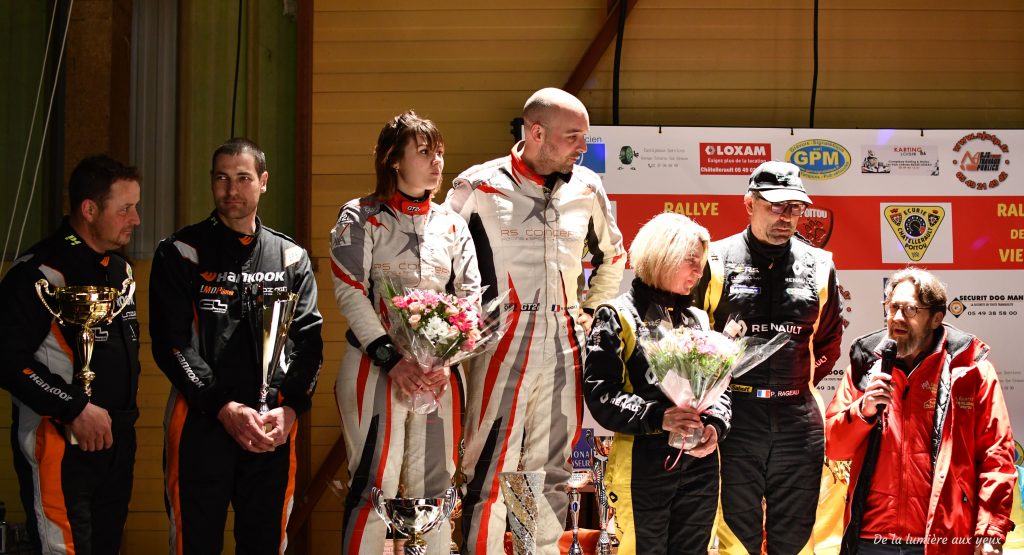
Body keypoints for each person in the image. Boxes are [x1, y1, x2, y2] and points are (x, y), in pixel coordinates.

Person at [446, 87, 627, 555]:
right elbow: (439, 255)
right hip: (499, 341)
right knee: (490, 467)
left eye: (584, 138)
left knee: (549, 472)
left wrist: (589, 310)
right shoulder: (479, 185)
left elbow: (613, 255)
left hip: (565, 342)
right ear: (536, 132)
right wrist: (461, 324)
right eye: (573, 137)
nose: (582, 148)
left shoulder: (587, 187)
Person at [149, 138, 323, 554]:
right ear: (211, 183)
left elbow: (309, 342)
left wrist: (292, 408)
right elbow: (171, 344)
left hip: (270, 428)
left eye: (243, 178)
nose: (232, 190)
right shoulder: (182, 252)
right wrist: (223, 407)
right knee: (196, 543)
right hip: (201, 422)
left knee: (264, 543)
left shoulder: (290, 257)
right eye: (222, 179)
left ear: (263, 182)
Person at [329, 111, 481, 554]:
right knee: (374, 485)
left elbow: (470, 297)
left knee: (434, 487)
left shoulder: (451, 223)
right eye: (425, 152)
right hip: (374, 370)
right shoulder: (360, 216)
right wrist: (391, 361)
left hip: (439, 376)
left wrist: (444, 361)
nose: (437, 162)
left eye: (440, 153)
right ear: (394, 160)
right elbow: (350, 291)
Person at [691, 160, 844, 554]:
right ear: (749, 203)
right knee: (734, 533)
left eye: (795, 207)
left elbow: (827, 342)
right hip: (735, 416)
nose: (786, 216)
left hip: (798, 418)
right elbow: (694, 341)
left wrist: (800, 385)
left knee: (795, 534)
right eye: (776, 206)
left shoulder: (821, 264)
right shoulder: (716, 259)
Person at [0, 155, 142, 554]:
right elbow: (7, 360)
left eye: (136, 207)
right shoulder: (40, 273)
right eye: (125, 209)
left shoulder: (120, 270)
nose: (136, 219)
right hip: (60, 438)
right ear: (89, 209)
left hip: (116, 440)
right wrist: (75, 407)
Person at [825, 268, 1016, 555]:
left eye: (910, 309)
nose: (897, 318)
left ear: (936, 318)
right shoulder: (865, 362)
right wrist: (863, 410)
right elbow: (834, 447)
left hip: (942, 538)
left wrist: (990, 531)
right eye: (892, 308)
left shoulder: (971, 369)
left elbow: (996, 456)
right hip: (870, 539)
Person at [583, 213, 730, 555]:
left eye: (702, 264)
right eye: (691, 262)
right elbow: (601, 394)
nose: (699, 272)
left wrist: (715, 426)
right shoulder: (615, 314)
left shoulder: (696, 318)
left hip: (700, 462)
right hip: (643, 465)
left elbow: (722, 385)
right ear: (663, 256)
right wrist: (658, 417)